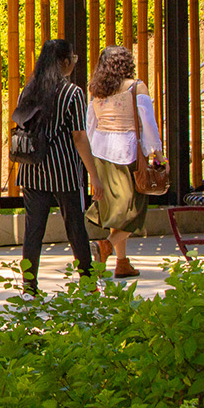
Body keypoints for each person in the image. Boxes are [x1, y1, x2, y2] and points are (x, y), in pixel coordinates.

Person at [13, 38, 104, 294]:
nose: (74, 63)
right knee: (75, 227)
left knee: (34, 229)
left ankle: (29, 284)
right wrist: (94, 176)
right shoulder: (72, 93)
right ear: (64, 62)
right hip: (63, 171)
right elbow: (79, 137)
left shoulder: (28, 90)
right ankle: (87, 282)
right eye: (73, 59)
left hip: (31, 170)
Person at [84, 45, 161, 279]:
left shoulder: (96, 90)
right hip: (128, 154)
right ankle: (105, 247)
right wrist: (155, 151)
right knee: (133, 211)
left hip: (101, 152)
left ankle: (122, 263)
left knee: (115, 211)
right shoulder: (136, 87)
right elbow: (147, 122)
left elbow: (90, 124)